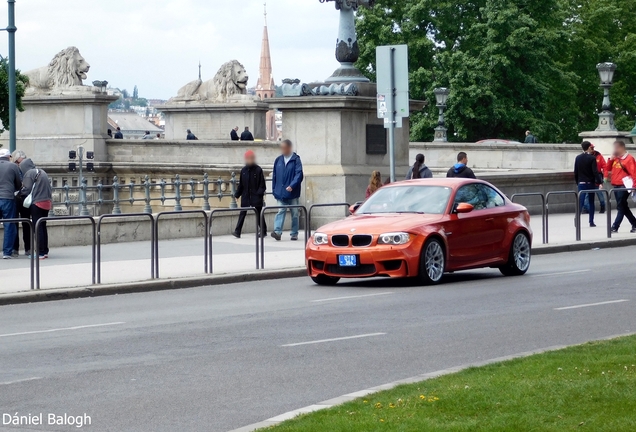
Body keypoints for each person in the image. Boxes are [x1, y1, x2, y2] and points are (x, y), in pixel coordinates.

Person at [271, 139, 303, 241]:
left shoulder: (296, 159)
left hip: (292, 192)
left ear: (289, 148)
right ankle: (277, 232)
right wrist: (274, 189)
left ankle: (294, 233)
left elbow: (299, 174)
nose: (282, 150)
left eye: (284, 148)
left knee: (294, 213)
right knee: (281, 211)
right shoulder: (278, 160)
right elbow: (275, 176)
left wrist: (292, 185)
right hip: (281, 192)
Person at [232, 150, 267, 239]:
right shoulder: (244, 170)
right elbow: (241, 185)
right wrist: (237, 194)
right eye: (248, 158)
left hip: (256, 196)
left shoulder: (258, 170)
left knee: (259, 214)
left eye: (251, 158)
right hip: (246, 196)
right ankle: (237, 231)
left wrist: (259, 194)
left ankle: (263, 230)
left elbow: (262, 185)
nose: (249, 160)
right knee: (242, 213)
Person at [21, 165, 52, 259]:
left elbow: (27, 189)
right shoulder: (42, 172)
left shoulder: (29, 173)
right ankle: (45, 251)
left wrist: (19, 193)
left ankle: (40, 252)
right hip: (47, 201)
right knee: (42, 226)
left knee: (37, 227)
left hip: (37, 202)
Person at [606, 140, 636, 233]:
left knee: (620, 206)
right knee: (623, 206)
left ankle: (615, 226)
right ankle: (635, 223)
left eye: (616, 148)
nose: (614, 149)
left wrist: (634, 186)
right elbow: (607, 168)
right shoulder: (616, 158)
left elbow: (634, 173)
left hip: (624, 185)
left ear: (621, 147)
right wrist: (611, 158)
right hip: (616, 184)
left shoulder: (629, 159)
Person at [11, 150, 34, 256]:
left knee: (26, 222)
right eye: (19, 162)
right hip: (15, 197)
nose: (20, 164)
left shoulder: (28, 169)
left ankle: (28, 248)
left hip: (25, 198)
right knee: (14, 223)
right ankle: (14, 248)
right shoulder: (13, 168)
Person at [0, 149, 22, 259]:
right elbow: (18, 183)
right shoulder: (13, 166)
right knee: (9, 225)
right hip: (8, 198)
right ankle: (7, 252)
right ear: (9, 156)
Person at [574, 141, 600, 228]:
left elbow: (576, 172)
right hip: (590, 183)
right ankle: (591, 221)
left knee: (580, 202)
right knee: (591, 202)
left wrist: (577, 182)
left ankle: (577, 219)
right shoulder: (592, 158)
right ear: (589, 147)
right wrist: (599, 181)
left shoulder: (578, 158)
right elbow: (595, 172)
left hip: (581, 183)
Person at [583, 143, 607, 214]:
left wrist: (605, 177)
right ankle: (586, 208)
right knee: (587, 193)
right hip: (589, 177)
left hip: (597, 176)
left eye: (593, 148)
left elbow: (604, 166)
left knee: (599, 193)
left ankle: (602, 206)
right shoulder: (586, 156)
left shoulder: (598, 156)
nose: (592, 149)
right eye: (591, 148)